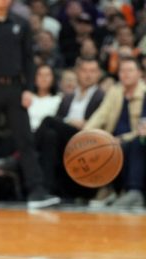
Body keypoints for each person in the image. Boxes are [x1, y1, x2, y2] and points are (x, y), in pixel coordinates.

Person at [0, 0, 60, 208]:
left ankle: (36, 191)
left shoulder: (21, 23)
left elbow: (29, 59)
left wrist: (28, 88)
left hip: (15, 87)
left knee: (25, 139)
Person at [34, 57, 104, 199]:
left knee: (48, 120)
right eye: (84, 70)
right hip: (65, 141)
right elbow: (60, 121)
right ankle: (47, 190)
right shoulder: (68, 97)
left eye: (92, 71)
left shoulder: (102, 96)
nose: (88, 74)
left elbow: (100, 122)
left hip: (87, 139)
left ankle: (23, 153)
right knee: (49, 135)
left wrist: (78, 123)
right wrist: (70, 122)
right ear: (78, 72)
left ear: (98, 74)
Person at [83, 57, 146, 207]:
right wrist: (86, 135)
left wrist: (120, 139)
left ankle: (133, 192)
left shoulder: (144, 93)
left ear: (139, 73)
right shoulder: (114, 92)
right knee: (93, 148)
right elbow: (100, 115)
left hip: (133, 138)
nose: (126, 74)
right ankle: (109, 191)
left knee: (134, 143)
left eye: (130, 70)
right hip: (111, 138)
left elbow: (142, 127)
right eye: (122, 70)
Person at [27, 64, 62, 132]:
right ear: (34, 78)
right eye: (40, 75)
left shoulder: (59, 99)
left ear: (53, 79)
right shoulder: (27, 97)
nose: (44, 78)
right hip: (26, 133)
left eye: (47, 75)